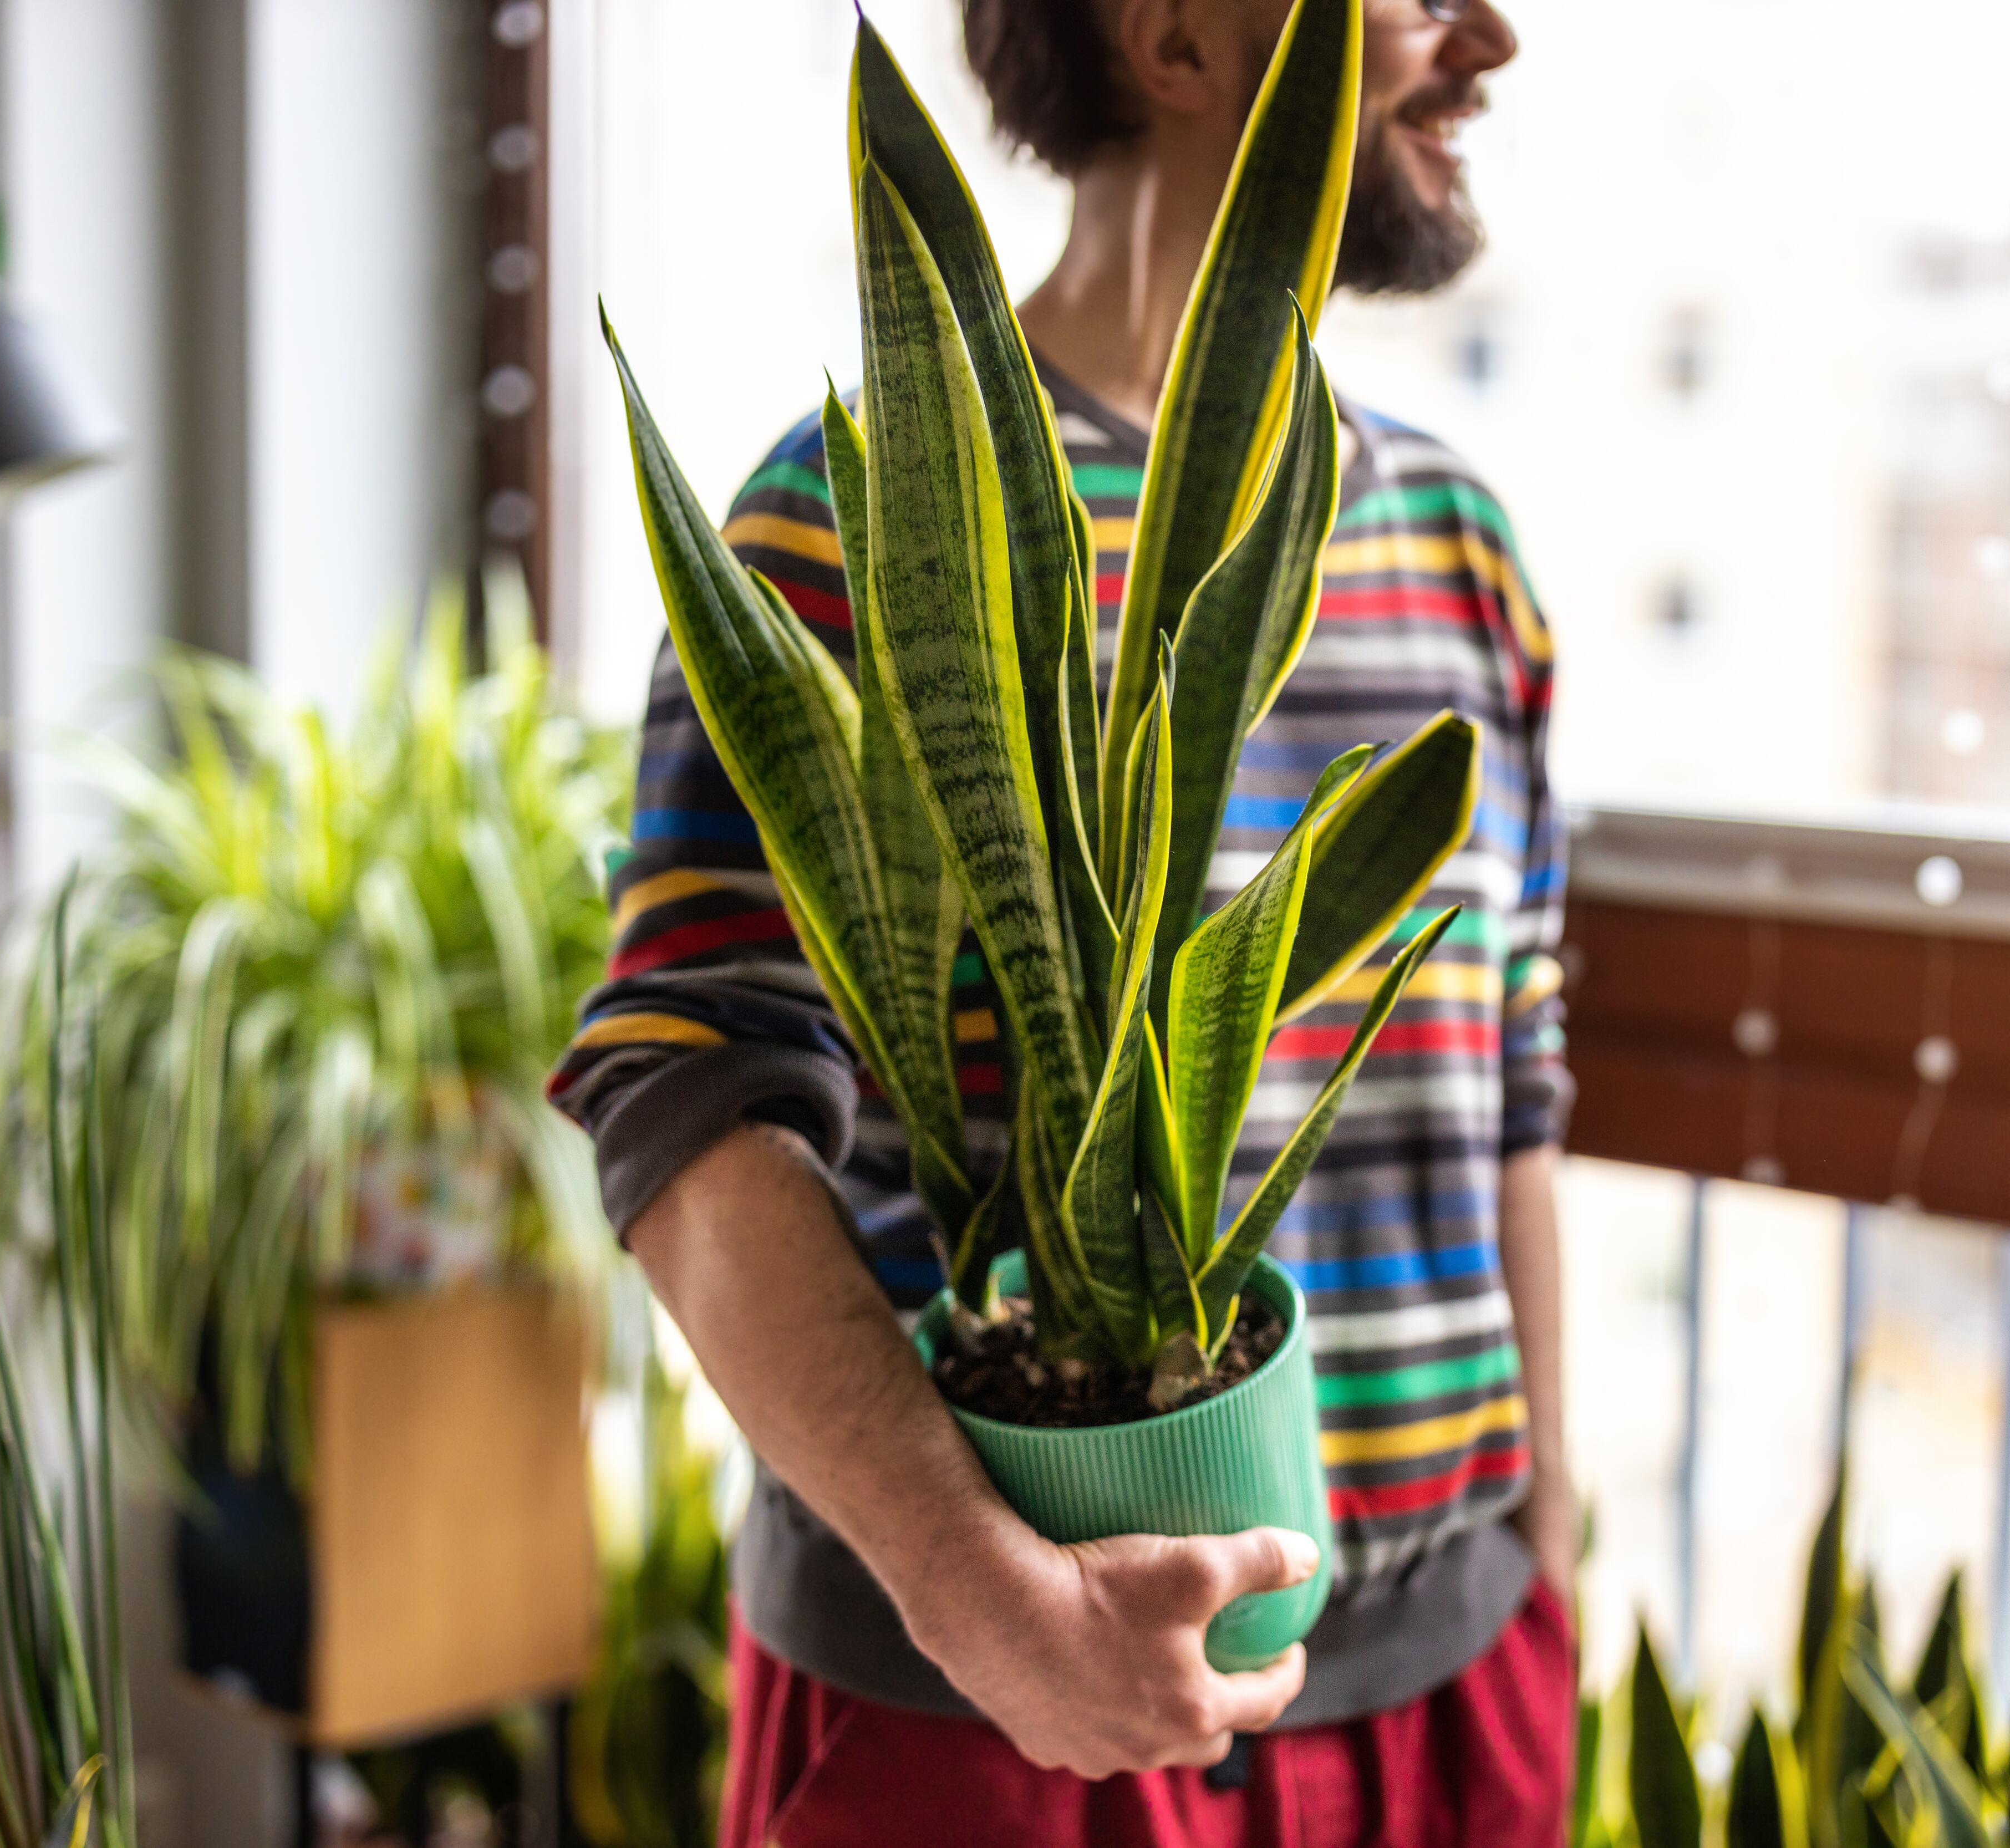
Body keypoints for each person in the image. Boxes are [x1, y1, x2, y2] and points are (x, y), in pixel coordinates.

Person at [551, 2, 1574, 1841]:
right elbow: (685, 1109)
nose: (1487, 35)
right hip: (996, 1707)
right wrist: (981, 1605)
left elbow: (1516, 1101)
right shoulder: (851, 519)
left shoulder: (1461, 541)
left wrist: (1542, 1548)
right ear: (1176, 38)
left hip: (1446, 1688)